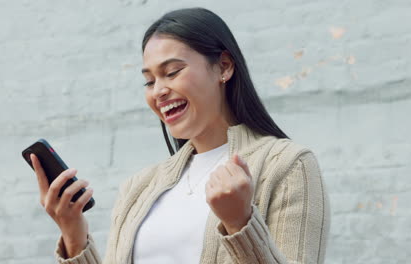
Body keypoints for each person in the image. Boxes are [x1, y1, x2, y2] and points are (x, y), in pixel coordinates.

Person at [30, 7, 330, 264]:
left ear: (223, 67)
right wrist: (73, 233)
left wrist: (240, 222)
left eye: (172, 72)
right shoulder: (139, 187)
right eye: (149, 81)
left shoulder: (288, 165)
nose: (159, 91)